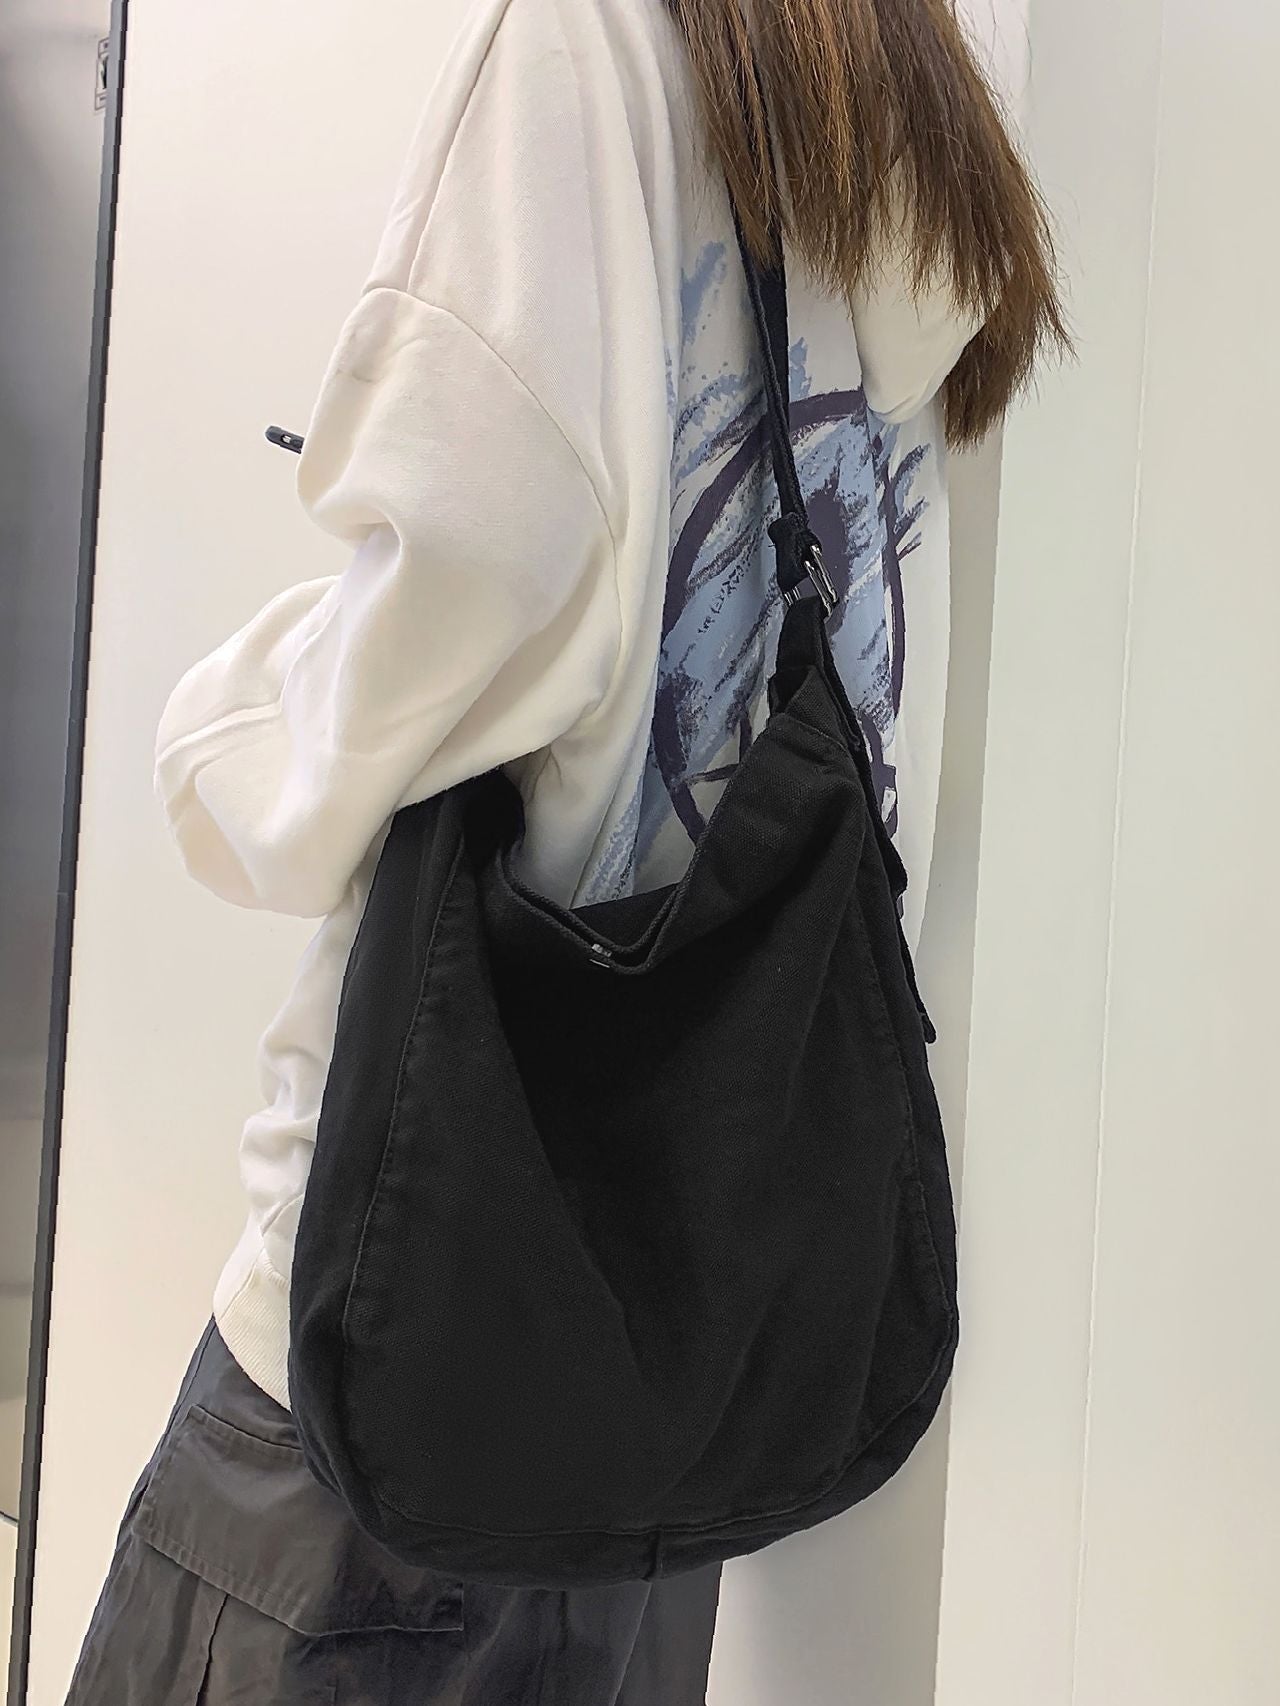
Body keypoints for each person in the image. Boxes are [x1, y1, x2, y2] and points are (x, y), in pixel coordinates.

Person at [68, 0, 1063, 1700]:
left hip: (406, 1350)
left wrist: (225, 720)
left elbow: (452, 614)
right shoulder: (893, 104)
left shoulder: (580, 49)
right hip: (669, 1416)